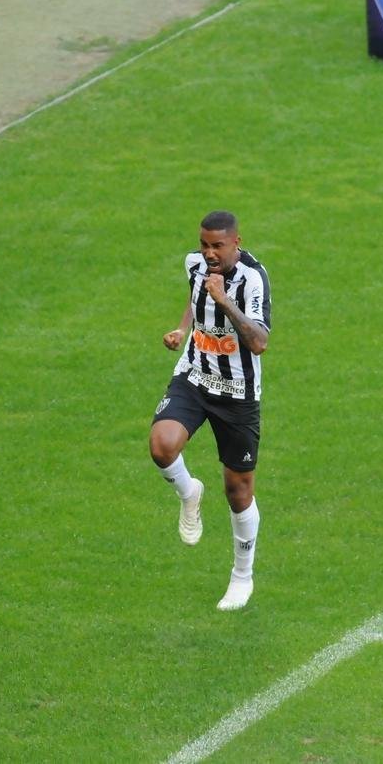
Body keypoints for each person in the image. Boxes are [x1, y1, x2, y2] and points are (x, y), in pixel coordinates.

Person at [149, 211, 271, 609]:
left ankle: (242, 576)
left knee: (238, 490)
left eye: (217, 245)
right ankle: (188, 491)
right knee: (162, 446)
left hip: (237, 393)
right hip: (196, 377)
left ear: (236, 242)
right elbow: (195, 291)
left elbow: (259, 342)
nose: (208, 253)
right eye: (204, 244)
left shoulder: (253, 279)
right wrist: (183, 328)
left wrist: (225, 301)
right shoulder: (195, 264)